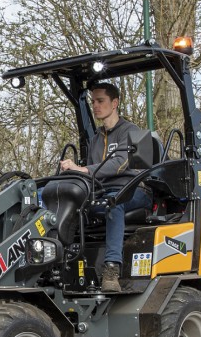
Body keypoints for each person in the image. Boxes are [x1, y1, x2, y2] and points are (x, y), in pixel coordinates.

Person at [59, 82, 154, 292]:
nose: (95, 105)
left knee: (114, 204)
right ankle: (63, 263)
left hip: (133, 190)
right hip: (104, 192)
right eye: (93, 101)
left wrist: (83, 169)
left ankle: (111, 269)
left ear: (115, 103)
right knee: (73, 207)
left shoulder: (131, 131)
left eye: (100, 101)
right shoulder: (95, 140)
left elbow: (120, 162)